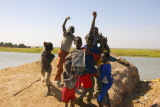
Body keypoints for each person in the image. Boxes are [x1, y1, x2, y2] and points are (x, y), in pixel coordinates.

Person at [66, 36, 93, 103]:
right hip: (77, 73)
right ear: (74, 43)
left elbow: (86, 51)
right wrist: (69, 69)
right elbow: (67, 59)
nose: (79, 43)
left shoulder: (83, 50)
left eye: (80, 42)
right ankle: (71, 100)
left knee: (88, 87)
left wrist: (89, 45)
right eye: (77, 42)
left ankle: (80, 98)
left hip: (84, 72)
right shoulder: (73, 51)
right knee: (74, 88)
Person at [54, 17, 75, 85]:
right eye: (69, 28)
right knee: (60, 66)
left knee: (67, 67)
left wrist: (71, 33)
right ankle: (58, 79)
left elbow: (75, 40)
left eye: (72, 29)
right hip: (62, 52)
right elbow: (63, 26)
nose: (70, 30)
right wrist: (66, 20)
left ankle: (66, 79)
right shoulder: (65, 33)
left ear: (73, 31)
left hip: (67, 54)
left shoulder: (72, 37)